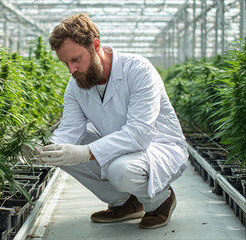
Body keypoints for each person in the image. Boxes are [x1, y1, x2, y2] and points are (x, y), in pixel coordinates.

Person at [37, 13, 189, 229]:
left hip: (157, 147)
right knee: (61, 152)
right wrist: (42, 149)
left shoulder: (138, 70)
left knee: (121, 170)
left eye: (76, 59)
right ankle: (127, 203)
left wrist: (85, 152)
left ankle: (160, 200)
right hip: (118, 148)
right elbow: (69, 130)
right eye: (65, 63)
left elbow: (140, 133)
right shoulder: (75, 85)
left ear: (95, 45)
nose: (71, 70)